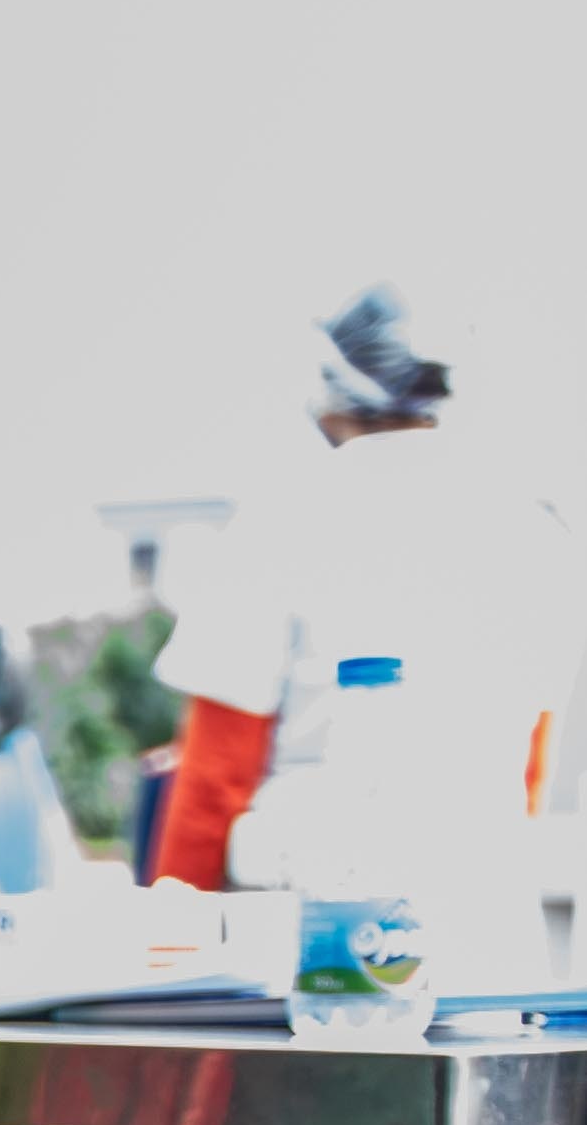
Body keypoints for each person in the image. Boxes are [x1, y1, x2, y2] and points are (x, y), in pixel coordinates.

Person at [150, 287, 582, 897]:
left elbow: (217, 777)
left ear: (333, 393)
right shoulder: (539, 537)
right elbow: (531, 762)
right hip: (486, 917)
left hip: (323, 933)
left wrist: (172, 950)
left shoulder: (281, 520)